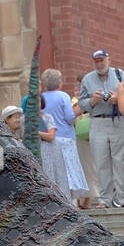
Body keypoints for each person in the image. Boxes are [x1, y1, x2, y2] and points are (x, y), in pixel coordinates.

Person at [79, 51, 124, 208]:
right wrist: (92, 101)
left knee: (121, 160)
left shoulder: (120, 75)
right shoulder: (87, 79)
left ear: (109, 59)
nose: (99, 64)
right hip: (97, 121)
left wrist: (118, 99)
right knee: (101, 161)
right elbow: (81, 103)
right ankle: (105, 199)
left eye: (102, 60)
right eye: (96, 61)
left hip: (117, 119)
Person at [40, 68, 92, 210]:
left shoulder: (42, 97)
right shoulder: (63, 96)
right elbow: (69, 118)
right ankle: (70, 202)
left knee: (54, 171)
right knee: (69, 171)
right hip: (66, 138)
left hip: (48, 139)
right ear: (59, 83)